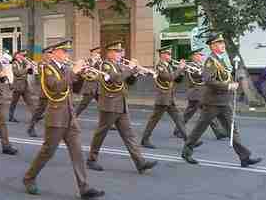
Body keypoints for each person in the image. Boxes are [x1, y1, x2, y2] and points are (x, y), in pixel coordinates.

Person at [22, 39, 105, 200]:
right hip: (56, 117)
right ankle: (29, 178)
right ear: (54, 53)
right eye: (64, 51)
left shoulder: (66, 68)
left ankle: (84, 187)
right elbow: (56, 87)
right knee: (47, 151)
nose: (67, 54)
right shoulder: (47, 69)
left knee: (78, 153)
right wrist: (74, 71)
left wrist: (81, 76)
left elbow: (76, 90)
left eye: (67, 52)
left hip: (69, 116)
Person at [182, 33, 262, 167]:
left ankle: (244, 157)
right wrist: (228, 85)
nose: (222, 45)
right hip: (212, 102)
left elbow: (224, 77)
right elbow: (208, 80)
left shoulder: (221, 60)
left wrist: (234, 82)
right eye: (219, 43)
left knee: (232, 129)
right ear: (212, 46)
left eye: (223, 43)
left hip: (224, 101)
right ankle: (187, 151)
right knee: (200, 128)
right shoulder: (210, 61)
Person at [86, 41, 158, 173]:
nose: (120, 54)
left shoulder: (119, 65)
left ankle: (140, 162)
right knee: (101, 133)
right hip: (109, 104)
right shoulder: (105, 65)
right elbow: (116, 79)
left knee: (129, 134)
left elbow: (129, 82)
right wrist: (129, 68)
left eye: (120, 52)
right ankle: (91, 159)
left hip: (121, 103)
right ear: (110, 53)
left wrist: (135, 73)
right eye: (117, 52)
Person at [140, 46, 193, 149]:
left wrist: (182, 72)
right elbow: (170, 78)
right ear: (162, 55)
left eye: (170, 54)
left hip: (169, 97)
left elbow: (176, 80)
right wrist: (180, 68)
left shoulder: (168, 66)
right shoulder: (160, 66)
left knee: (178, 119)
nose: (170, 56)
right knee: (154, 120)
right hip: (163, 98)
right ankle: (144, 139)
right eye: (168, 54)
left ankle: (189, 140)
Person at [173, 49, 226, 140]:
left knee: (208, 113)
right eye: (199, 55)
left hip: (202, 94)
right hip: (195, 93)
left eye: (201, 55)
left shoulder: (201, 66)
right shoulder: (191, 66)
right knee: (188, 114)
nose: (201, 57)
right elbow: (197, 76)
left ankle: (219, 132)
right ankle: (178, 130)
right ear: (194, 56)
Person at [26, 48, 52, 137]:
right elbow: (46, 76)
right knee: (39, 112)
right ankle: (31, 127)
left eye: (51, 53)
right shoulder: (42, 64)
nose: (51, 54)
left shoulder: (51, 63)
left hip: (54, 93)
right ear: (44, 54)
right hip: (45, 92)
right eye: (49, 53)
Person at [8, 50, 35, 123]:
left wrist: (30, 65)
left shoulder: (24, 63)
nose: (23, 56)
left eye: (23, 55)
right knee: (14, 102)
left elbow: (30, 72)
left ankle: (35, 116)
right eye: (21, 55)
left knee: (30, 101)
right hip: (18, 86)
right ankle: (11, 116)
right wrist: (26, 69)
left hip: (25, 85)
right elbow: (17, 73)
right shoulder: (14, 63)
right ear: (17, 56)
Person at [75, 47, 102, 117]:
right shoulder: (87, 61)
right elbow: (80, 72)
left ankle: (108, 123)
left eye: (99, 53)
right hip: (89, 87)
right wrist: (85, 71)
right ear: (92, 53)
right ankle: (72, 118)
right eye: (96, 53)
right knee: (83, 105)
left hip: (98, 88)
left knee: (104, 106)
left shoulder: (101, 62)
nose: (98, 54)